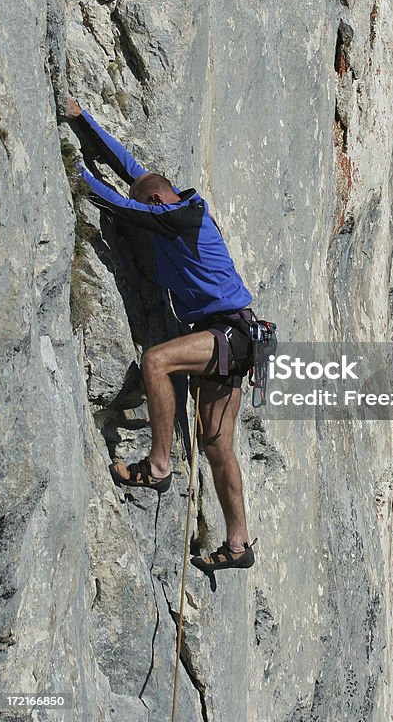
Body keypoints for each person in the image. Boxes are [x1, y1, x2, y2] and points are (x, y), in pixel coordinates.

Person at [67, 96, 256, 571]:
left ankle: (158, 466)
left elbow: (122, 204)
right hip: (238, 338)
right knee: (217, 447)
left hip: (226, 333)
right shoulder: (175, 205)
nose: (142, 210)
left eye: (144, 204)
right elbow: (132, 169)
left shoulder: (178, 218)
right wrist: (81, 119)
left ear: (155, 202)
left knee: (156, 361)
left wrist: (75, 173)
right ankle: (239, 545)